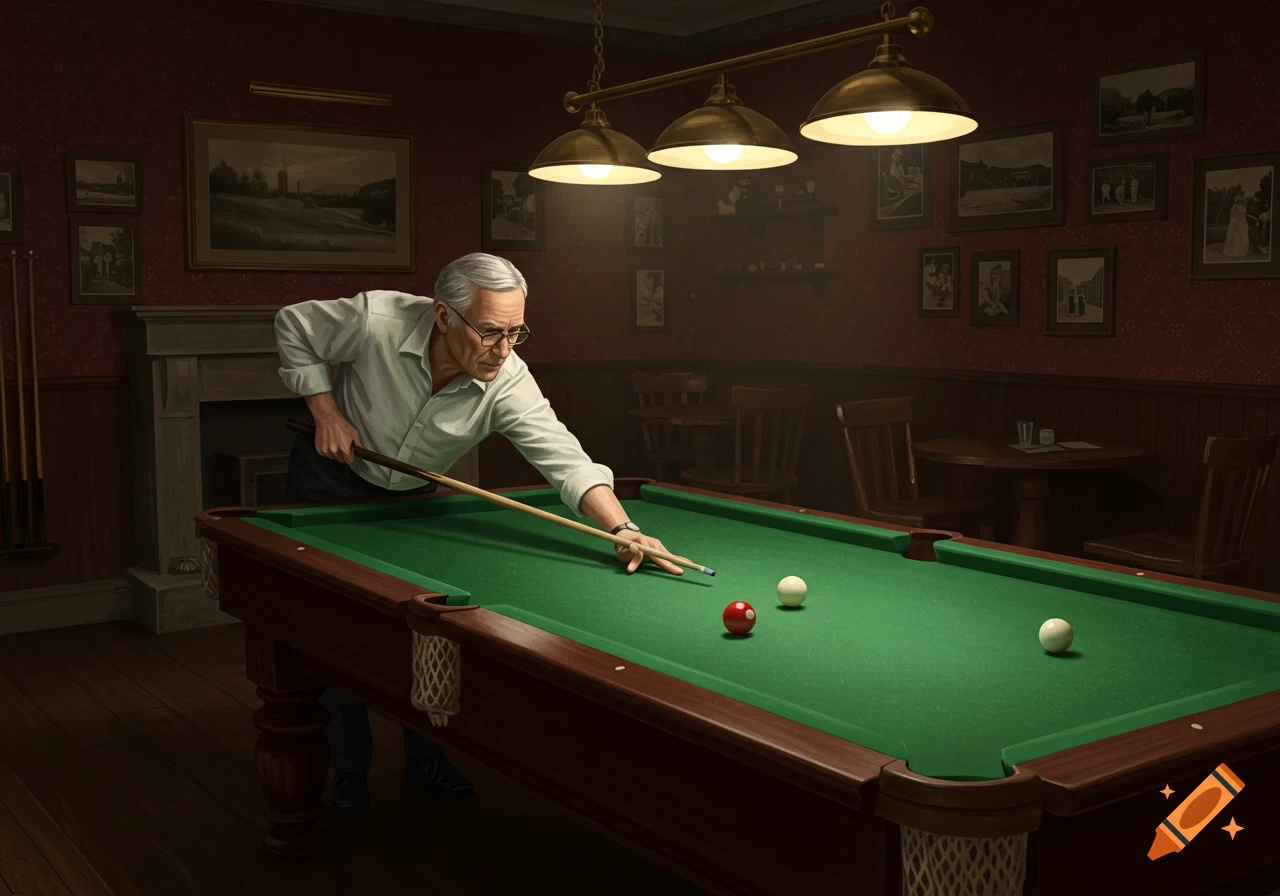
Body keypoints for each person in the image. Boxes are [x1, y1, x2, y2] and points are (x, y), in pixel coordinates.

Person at [274, 252, 683, 817]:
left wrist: (625, 527)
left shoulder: (508, 380)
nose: (505, 347)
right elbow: (293, 324)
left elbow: (565, 461)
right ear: (443, 317)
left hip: (411, 498)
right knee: (338, 622)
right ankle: (349, 770)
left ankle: (428, 758)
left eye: (518, 331)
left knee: (427, 624)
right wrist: (324, 409)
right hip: (330, 479)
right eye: (492, 331)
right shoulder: (378, 320)